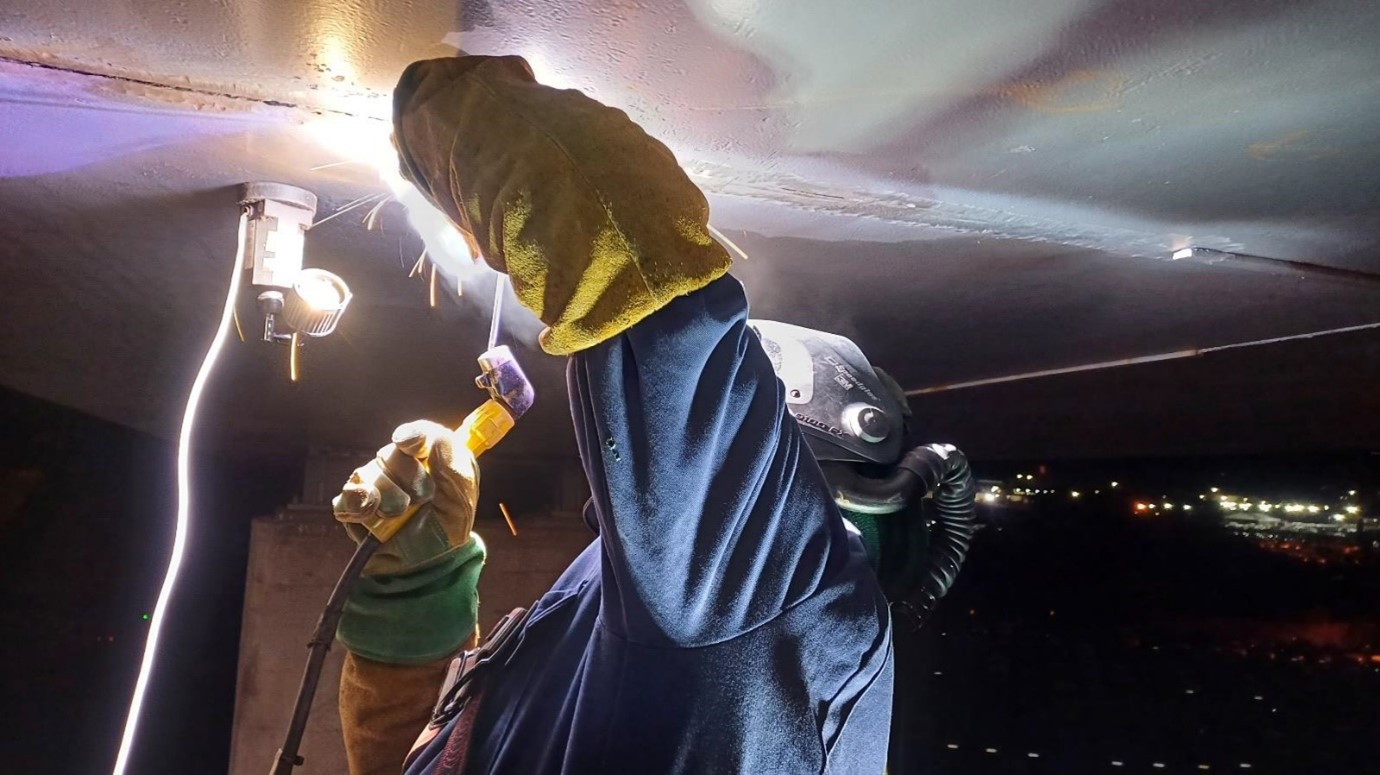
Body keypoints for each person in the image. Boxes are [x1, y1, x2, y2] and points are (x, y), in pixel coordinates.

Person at [330, 53, 968, 775]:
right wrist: (422, 613)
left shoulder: (745, 606)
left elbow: (637, 266)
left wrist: (449, 119)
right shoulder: (714, 621)